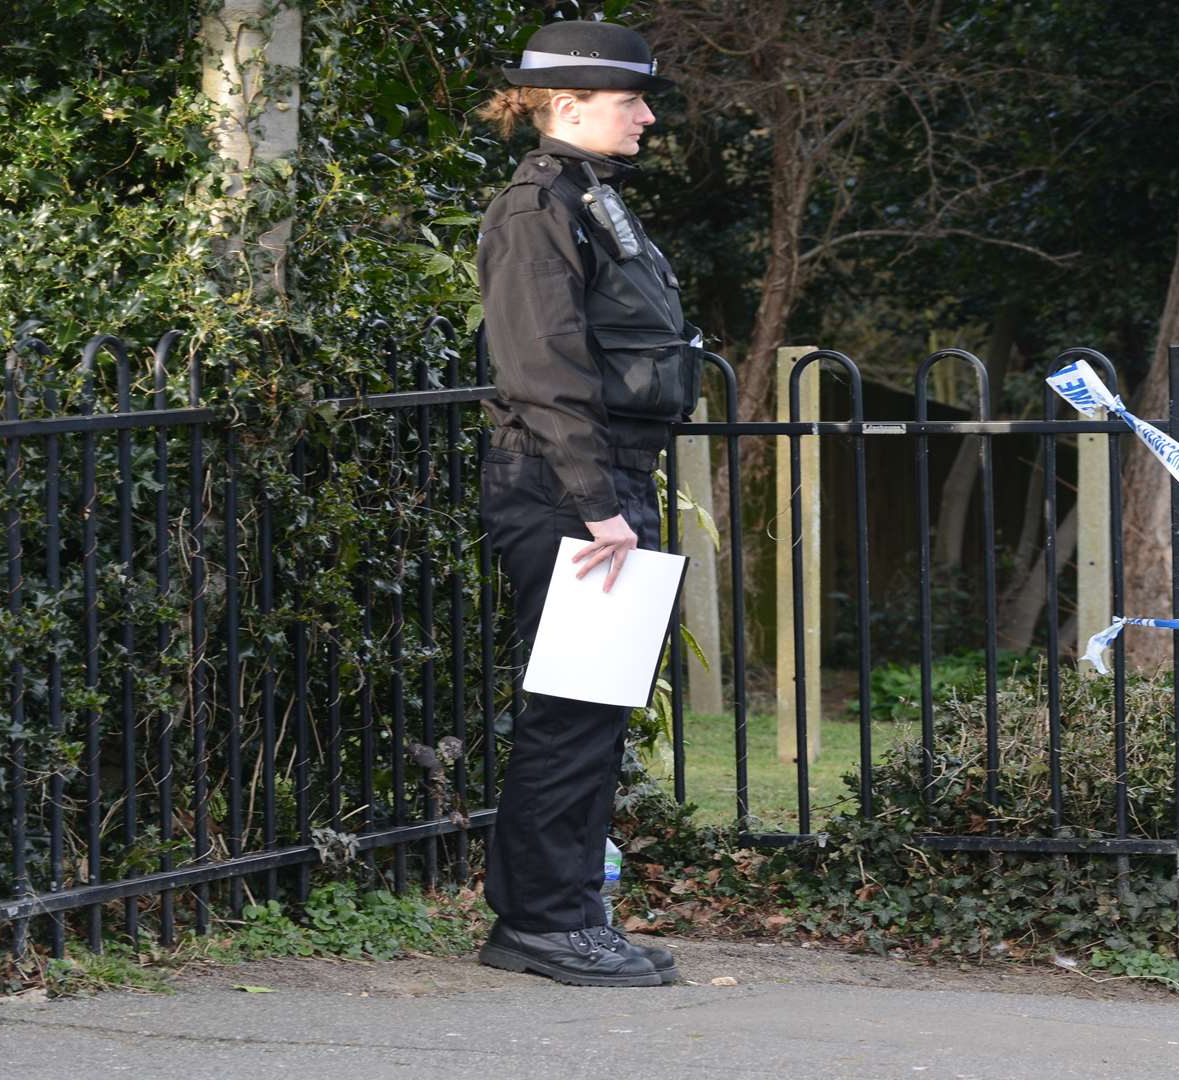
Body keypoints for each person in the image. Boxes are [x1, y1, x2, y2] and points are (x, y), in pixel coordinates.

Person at [470, 20, 699, 988]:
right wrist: (598, 502)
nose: (648, 116)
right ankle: (545, 923)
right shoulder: (538, 208)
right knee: (572, 710)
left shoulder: (590, 197)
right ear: (567, 106)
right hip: (572, 491)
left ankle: (564, 911)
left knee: (594, 708)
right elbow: (541, 367)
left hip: (601, 484)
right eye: (630, 100)